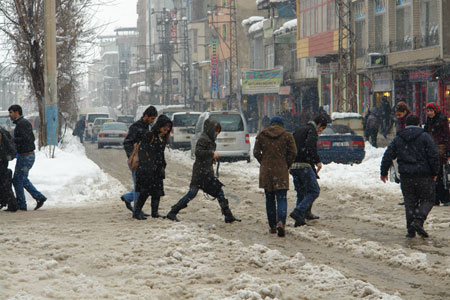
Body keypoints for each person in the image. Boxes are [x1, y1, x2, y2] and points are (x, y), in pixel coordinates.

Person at [166, 118, 240, 223]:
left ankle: (173, 212)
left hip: (203, 172)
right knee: (217, 191)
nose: (217, 133)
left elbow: (203, 154)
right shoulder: (204, 139)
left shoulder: (209, 139)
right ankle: (228, 215)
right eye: (216, 130)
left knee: (194, 193)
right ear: (210, 129)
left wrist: (211, 158)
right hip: (202, 173)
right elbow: (198, 152)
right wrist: (211, 154)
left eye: (218, 131)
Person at [380, 115, 440, 238]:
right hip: (424, 175)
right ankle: (418, 221)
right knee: (428, 199)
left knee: (410, 201)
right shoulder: (425, 137)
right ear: (419, 124)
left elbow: (388, 154)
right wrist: (435, 172)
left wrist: (383, 171)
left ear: (406, 124)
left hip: (406, 176)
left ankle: (410, 230)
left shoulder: (399, 138)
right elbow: (433, 155)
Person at [253, 116, 297, 237]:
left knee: (270, 198)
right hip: (281, 170)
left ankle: (272, 226)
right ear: (281, 125)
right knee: (282, 197)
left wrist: (264, 161)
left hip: (267, 171)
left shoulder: (262, 135)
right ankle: (281, 222)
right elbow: (293, 152)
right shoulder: (287, 135)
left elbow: (256, 152)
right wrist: (286, 163)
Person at [288, 115, 328, 227]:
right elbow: (310, 146)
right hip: (304, 165)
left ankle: (299, 220)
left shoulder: (299, 129)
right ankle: (299, 211)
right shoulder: (312, 131)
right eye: (322, 129)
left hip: (294, 165)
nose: (320, 132)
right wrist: (317, 161)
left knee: (301, 193)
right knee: (314, 191)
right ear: (319, 125)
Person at [133, 115, 172, 220]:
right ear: (159, 126)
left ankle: (154, 212)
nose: (167, 129)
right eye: (165, 127)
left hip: (157, 170)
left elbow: (160, 153)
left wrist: (163, 164)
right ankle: (136, 213)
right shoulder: (150, 135)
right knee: (144, 192)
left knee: (157, 192)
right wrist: (149, 164)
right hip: (147, 170)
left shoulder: (162, 137)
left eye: (168, 127)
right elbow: (142, 151)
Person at [9, 105, 47, 211]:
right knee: (22, 179)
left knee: (17, 180)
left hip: (25, 156)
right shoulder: (22, 124)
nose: (9, 115)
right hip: (25, 155)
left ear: (17, 113)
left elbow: (26, 139)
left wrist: (12, 140)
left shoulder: (22, 124)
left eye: (11, 112)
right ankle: (39, 197)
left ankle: (21, 204)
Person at [122, 106, 158, 214]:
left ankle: (128, 198)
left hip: (144, 161)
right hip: (136, 161)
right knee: (139, 186)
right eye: (151, 118)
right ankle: (137, 211)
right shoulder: (135, 127)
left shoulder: (147, 127)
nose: (152, 121)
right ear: (145, 116)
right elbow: (127, 142)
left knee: (142, 185)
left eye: (154, 119)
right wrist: (133, 156)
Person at [424, 102, 450, 206]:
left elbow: (447, 136)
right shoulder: (428, 121)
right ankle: (436, 197)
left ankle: (443, 197)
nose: (429, 113)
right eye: (428, 111)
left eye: (431, 110)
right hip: (431, 150)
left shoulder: (442, 121)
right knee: (433, 175)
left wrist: (448, 150)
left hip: (440, 151)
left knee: (439, 175)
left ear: (435, 111)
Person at [0, 126, 18, 212]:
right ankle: (10, 203)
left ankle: (12, 204)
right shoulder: (3, 130)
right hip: (3, 160)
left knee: (4, 183)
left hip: (1, 160)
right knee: (4, 183)